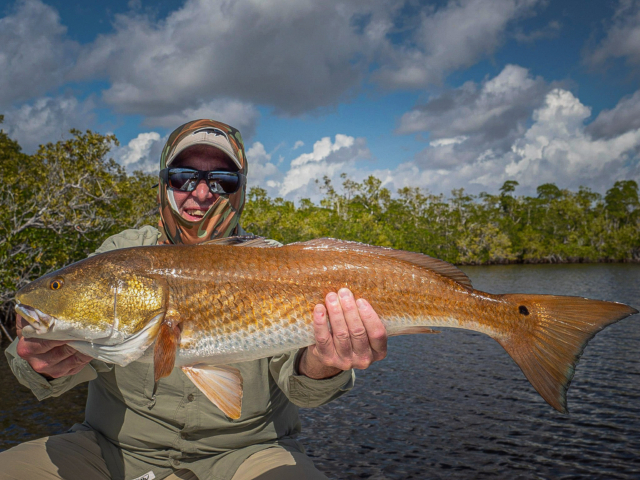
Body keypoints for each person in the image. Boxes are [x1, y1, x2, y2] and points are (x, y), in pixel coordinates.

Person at [1, 119, 389, 480]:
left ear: (241, 189)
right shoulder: (120, 255)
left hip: (249, 455)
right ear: (163, 184)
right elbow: (42, 369)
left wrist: (325, 361)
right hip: (114, 452)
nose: (201, 193)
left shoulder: (274, 263)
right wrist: (41, 362)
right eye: (183, 177)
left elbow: (301, 388)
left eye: (222, 180)